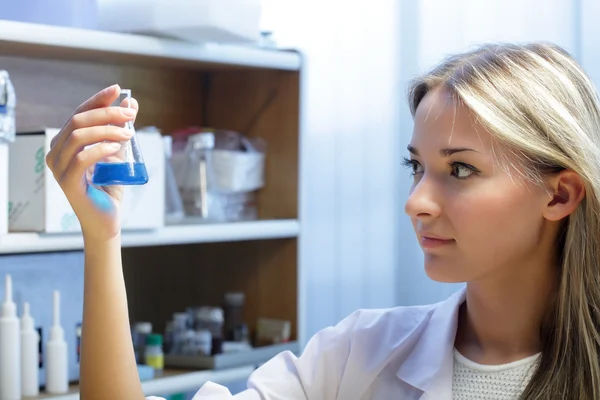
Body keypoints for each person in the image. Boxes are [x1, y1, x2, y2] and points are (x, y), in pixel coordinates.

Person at [46, 41, 600, 400]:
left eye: (459, 169)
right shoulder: (359, 356)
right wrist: (103, 239)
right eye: (416, 167)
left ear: (560, 195)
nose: (416, 201)